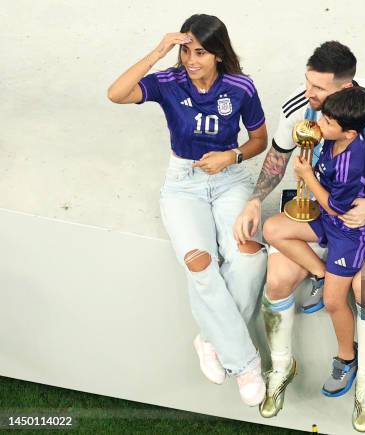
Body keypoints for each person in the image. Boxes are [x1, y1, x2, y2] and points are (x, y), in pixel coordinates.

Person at [233, 41, 365, 431]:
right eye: (307, 82)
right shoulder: (299, 105)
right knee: (276, 279)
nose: (309, 95)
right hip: (315, 202)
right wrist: (255, 201)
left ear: (345, 93)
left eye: (319, 90)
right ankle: (281, 367)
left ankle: (364, 379)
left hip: (362, 210)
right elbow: (278, 155)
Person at [107, 14, 268, 406]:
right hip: (184, 184)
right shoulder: (169, 81)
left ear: (217, 53)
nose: (191, 59)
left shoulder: (240, 87)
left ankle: (210, 339)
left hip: (230, 179)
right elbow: (116, 93)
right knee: (200, 264)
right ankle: (246, 364)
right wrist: (160, 50)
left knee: (248, 260)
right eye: (185, 50)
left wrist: (231, 156)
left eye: (200, 52)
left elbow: (259, 140)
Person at [264, 87, 365, 398]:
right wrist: (305, 173)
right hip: (329, 217)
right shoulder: (331, 141)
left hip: (351, 231)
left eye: (329, 122)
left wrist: (308, 175)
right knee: (273, 229)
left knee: (333, 301)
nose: (320, 123)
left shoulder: (352, 162)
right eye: (323, 115)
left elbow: (334, 207)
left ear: (349, 133)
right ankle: (319, 272)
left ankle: (347, 356)